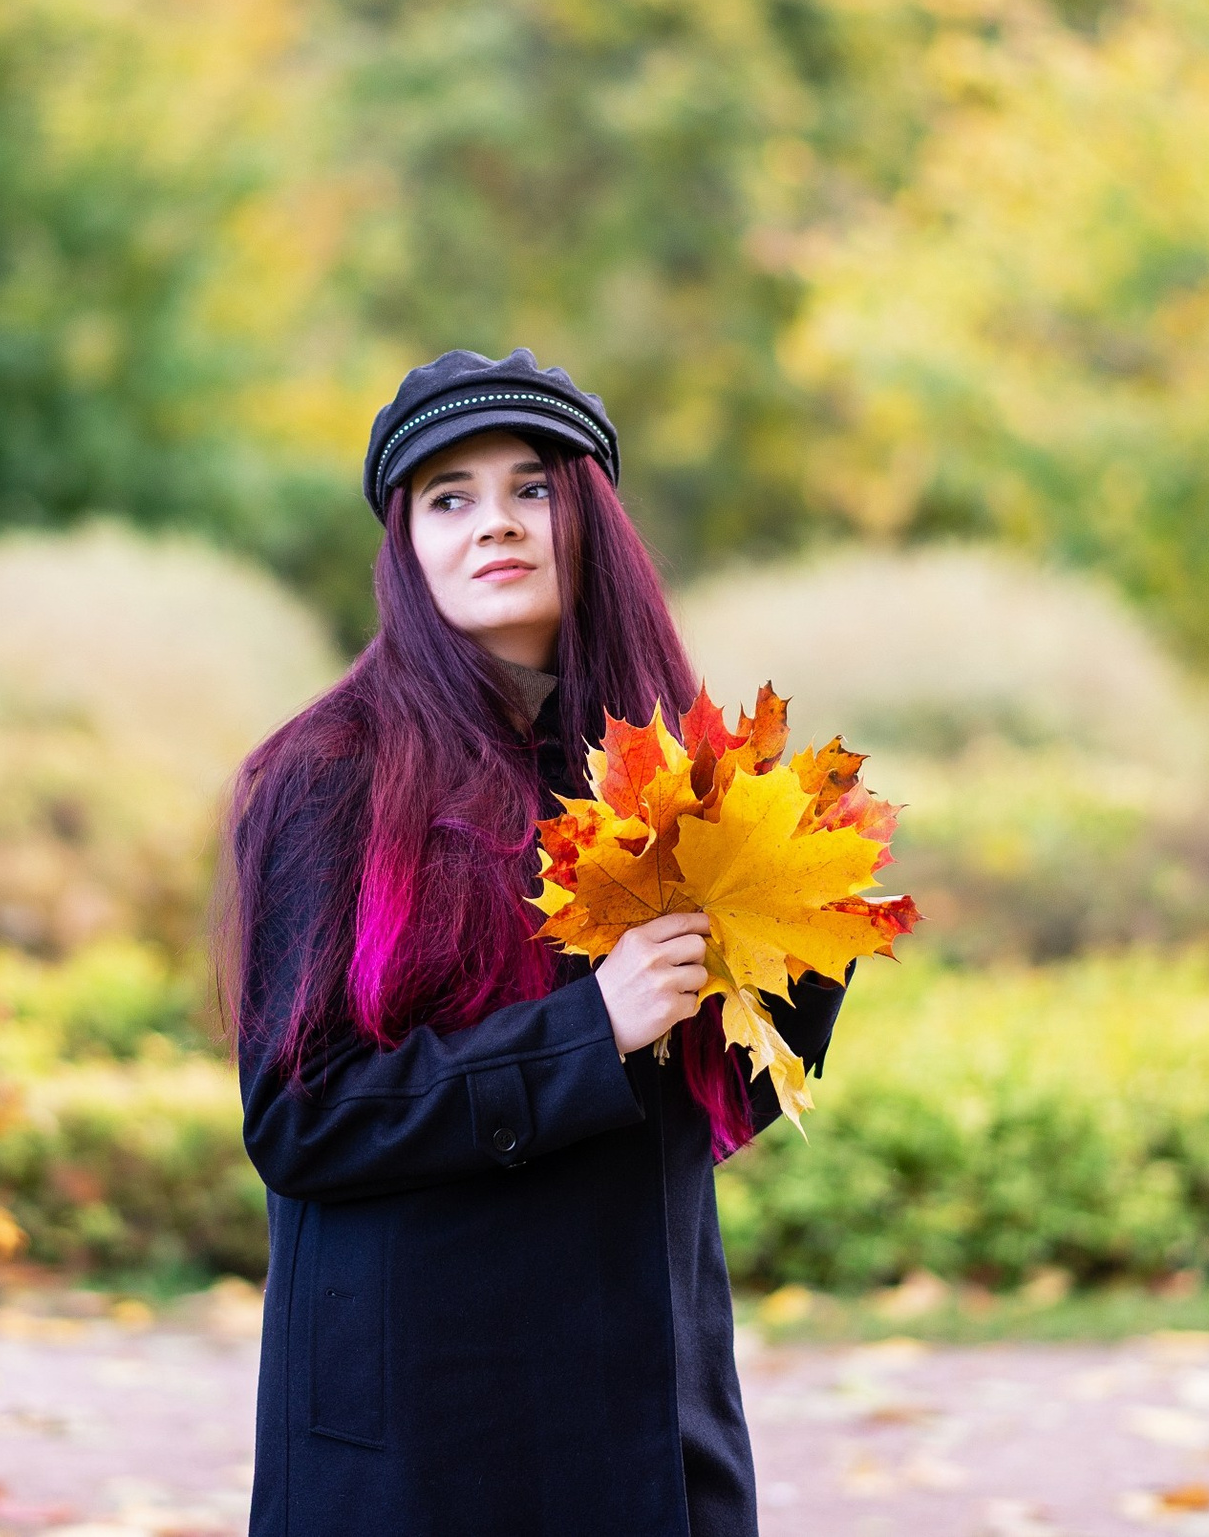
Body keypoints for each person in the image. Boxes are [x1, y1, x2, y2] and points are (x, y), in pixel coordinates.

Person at [222, 349, 854, 1537]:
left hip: (638, 1416)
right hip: (418, 1438)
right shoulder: (327, 780)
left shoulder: (676, 783)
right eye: (447, 497)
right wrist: (587, 1030)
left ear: (592, 521)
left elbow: (707, 1113)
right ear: (404, 543)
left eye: (531, 489)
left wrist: (798, 929)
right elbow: (300, 1121)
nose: (492, 526)